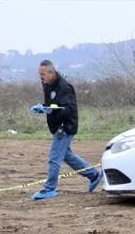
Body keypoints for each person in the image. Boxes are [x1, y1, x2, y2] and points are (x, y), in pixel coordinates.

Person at [30, 60, 103, 200]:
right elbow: (52, 103)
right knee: (67, 156)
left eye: (43, 74)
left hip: (65, 127)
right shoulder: (47, 84)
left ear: (52, 72)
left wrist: (50, 110)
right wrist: (43, 108)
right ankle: (94, 174)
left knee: (54, 158)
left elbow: (69, 109)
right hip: (56, 126)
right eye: (39, 74)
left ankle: (49, 188)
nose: (40, 77)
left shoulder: (65, 87)